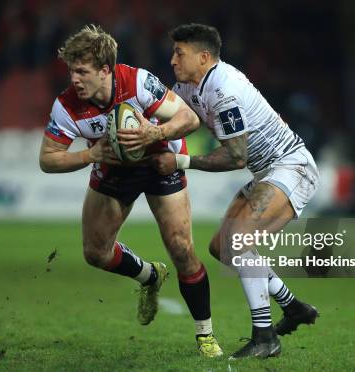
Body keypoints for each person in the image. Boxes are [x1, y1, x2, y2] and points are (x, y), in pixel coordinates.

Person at [38, 24, 222, 357]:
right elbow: (48, 160)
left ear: (105, 70)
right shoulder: (66, 107)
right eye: (71, 71)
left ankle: (205, 335)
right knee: (95, 253)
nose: (74, 79)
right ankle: (149, 275)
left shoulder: (136, 82)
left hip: (159, 161)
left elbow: (189, 118)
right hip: (113, 168)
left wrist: (156, 132)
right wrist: (90, 154)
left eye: (82, 72)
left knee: (181, 248)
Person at [146, 23, 320, 359]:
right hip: (268, 172)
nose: (172, 60)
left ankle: (265, 337)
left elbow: (236, 156)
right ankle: (293, 307)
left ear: (204, 56)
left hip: (291, 167)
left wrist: (180, 161)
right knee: (221, 248)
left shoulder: (224, 91)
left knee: (238, 243)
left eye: (179, 53)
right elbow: (164, 113)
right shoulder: (190, 85)